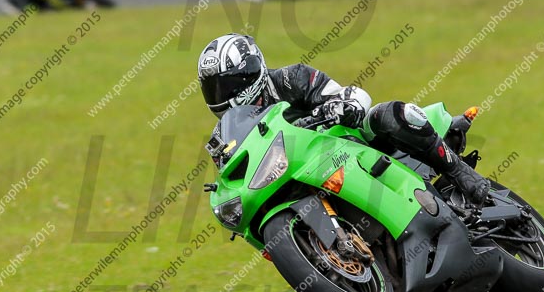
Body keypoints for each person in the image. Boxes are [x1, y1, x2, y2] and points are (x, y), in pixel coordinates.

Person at [197, 34, 490, 207]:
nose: (223, 95)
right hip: (299, 175)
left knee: (387, 114)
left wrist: (338, 108)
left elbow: (352, 95)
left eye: (228, 84)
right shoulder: (228, 133)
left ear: (250, 72)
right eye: (214, 88)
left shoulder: (290, 78)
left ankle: (460, 172)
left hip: (348, 143)